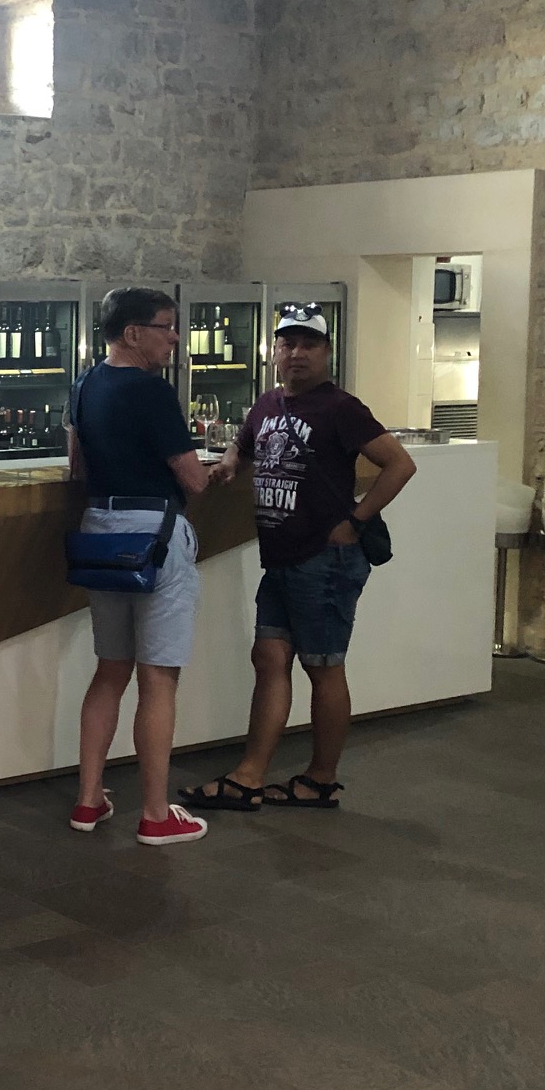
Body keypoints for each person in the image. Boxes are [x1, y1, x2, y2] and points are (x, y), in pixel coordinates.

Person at [181, 306, 416, 811]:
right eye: (288, 344)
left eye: (309, 344)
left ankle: (320, 779)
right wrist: (229, 462)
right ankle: (249, 776)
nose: (297, 353)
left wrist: (355, 521)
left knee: (323, 666)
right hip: (281, 557)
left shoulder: (341, 408)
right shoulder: (267, 404)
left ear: (326, 352)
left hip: (325, 559)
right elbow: (244, 445)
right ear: (275, 352)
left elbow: (400, 464)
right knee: (269, 659)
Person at [66, 287, 212, 846]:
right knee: (158, 677)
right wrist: (214, 470)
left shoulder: (84, 384)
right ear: (132, 333)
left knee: (110, 668)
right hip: (155, 533)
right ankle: (155, 813)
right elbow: (193, 478)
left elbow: (78, 468)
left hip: (99, 532)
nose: (174, 338)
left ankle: (88, 800)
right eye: (166, 326)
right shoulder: (152, 390)